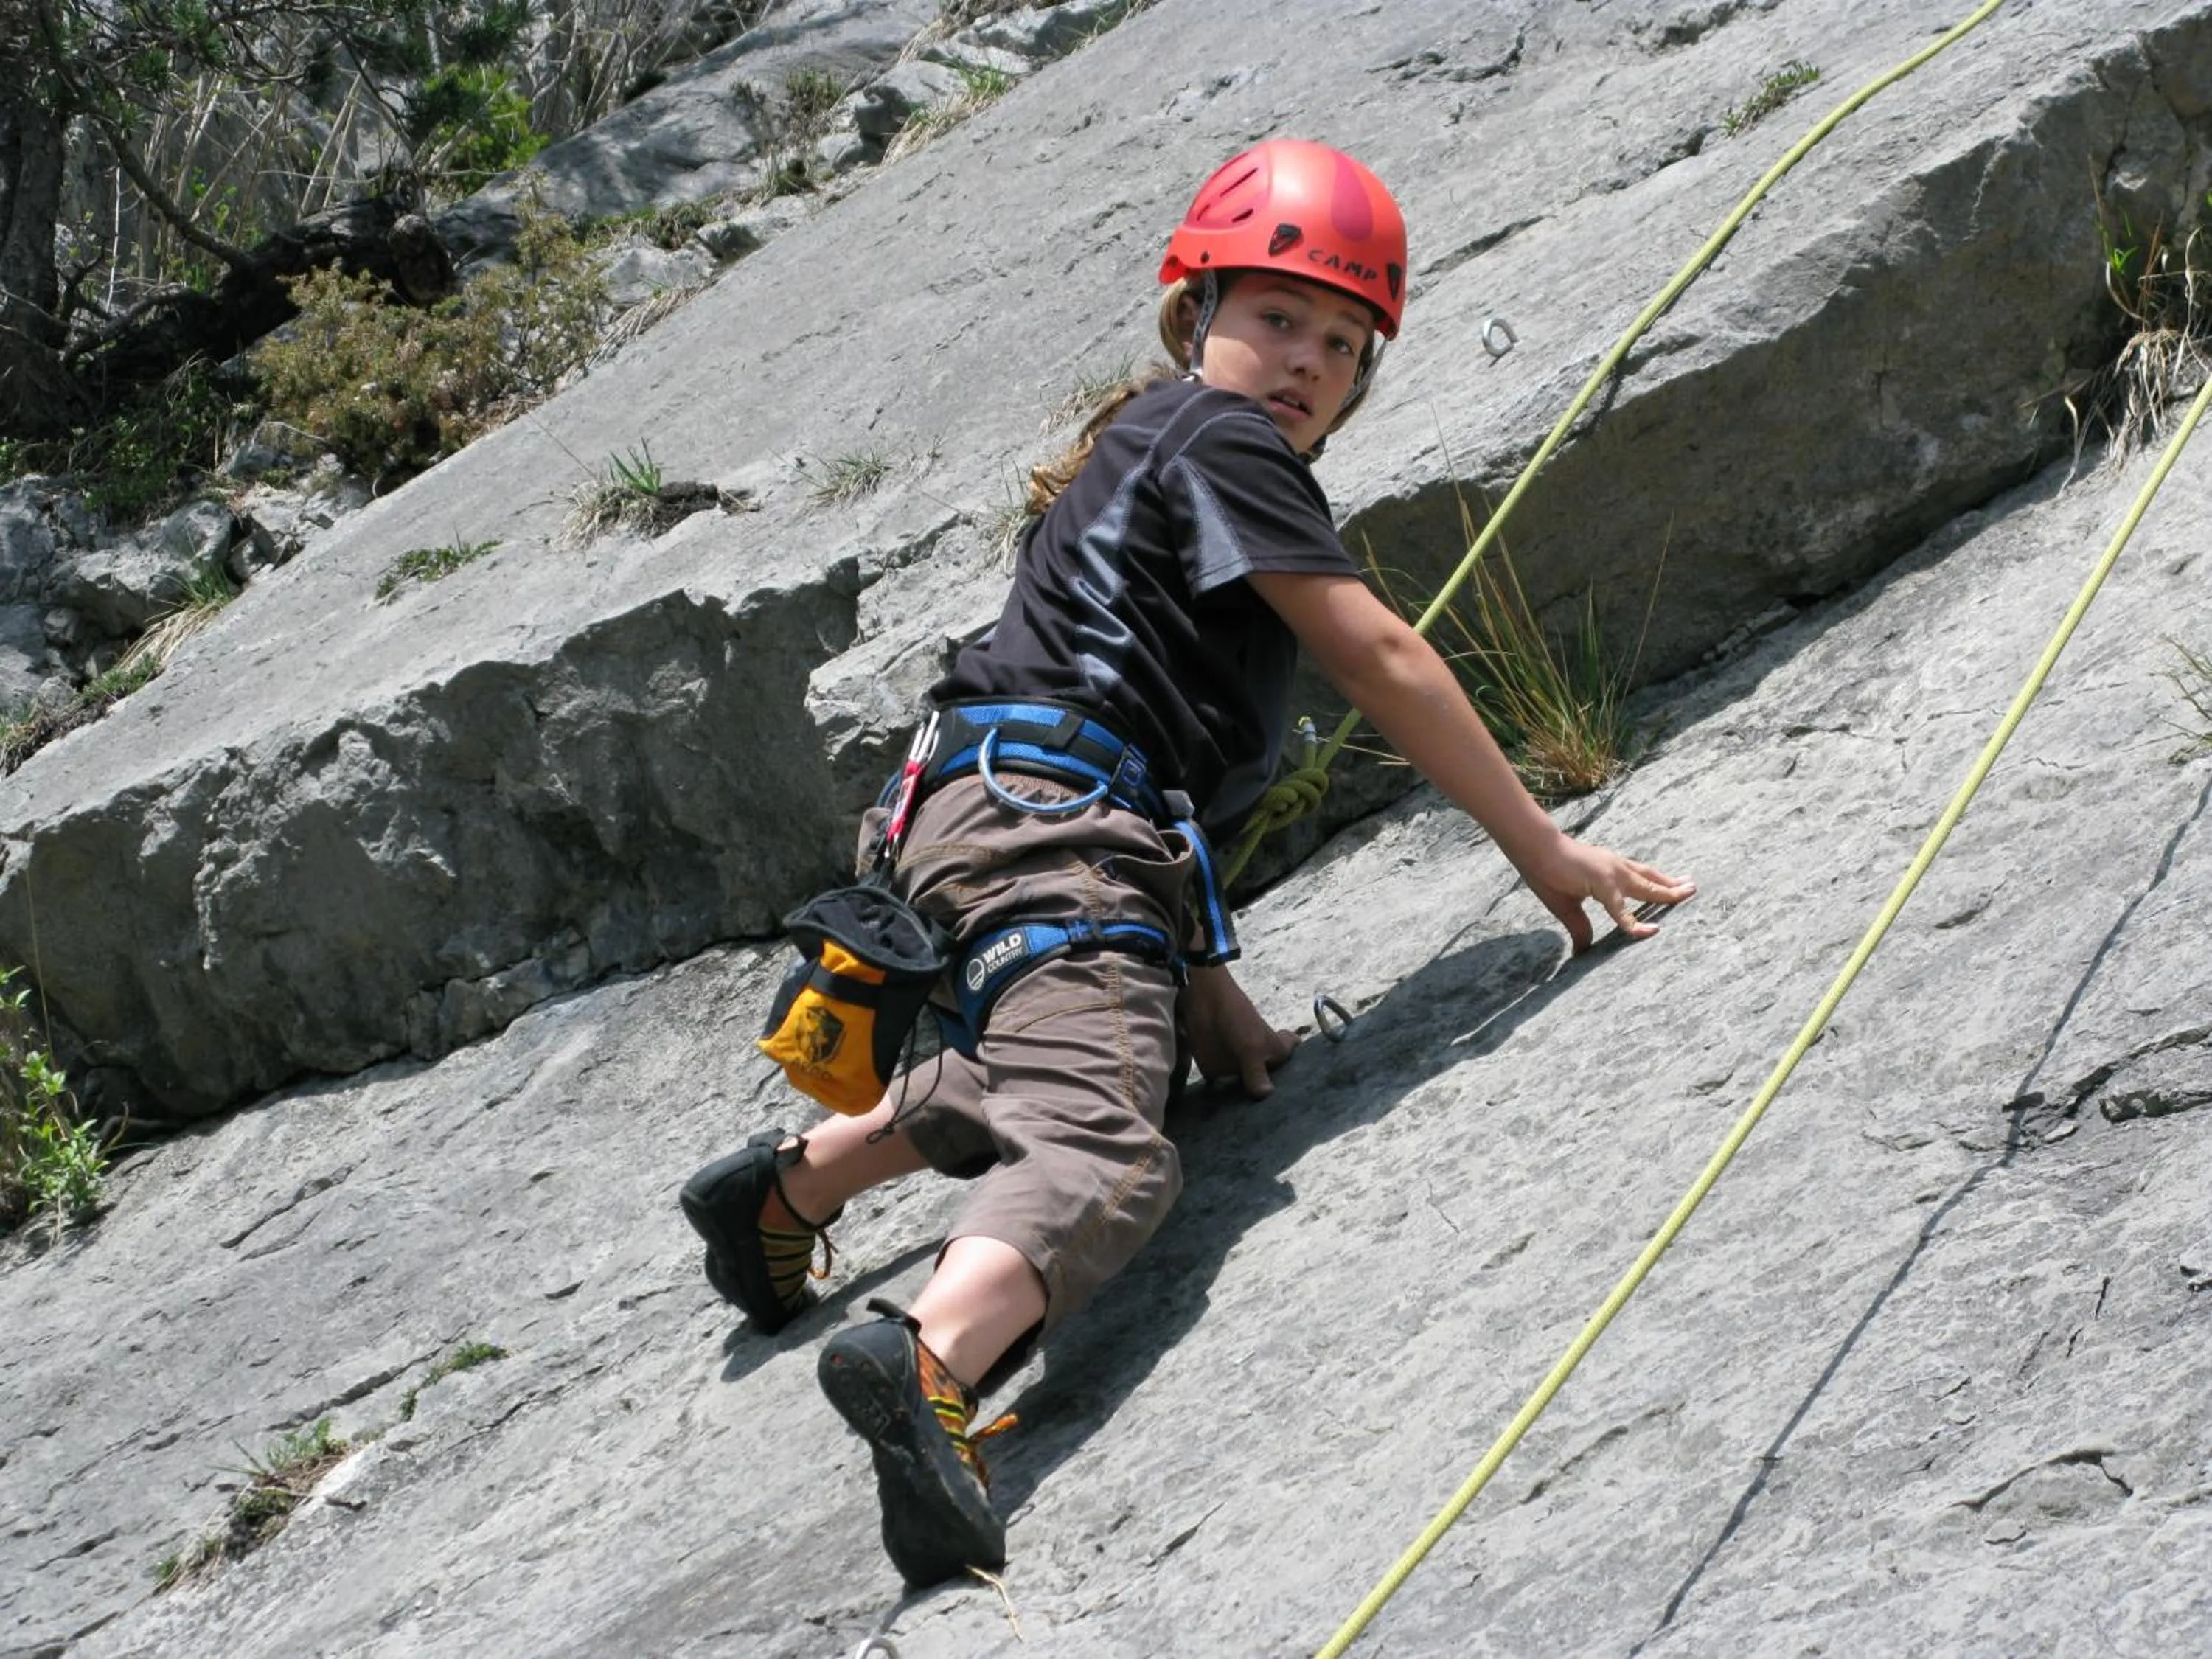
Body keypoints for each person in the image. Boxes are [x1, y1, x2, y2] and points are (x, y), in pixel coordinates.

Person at [681, 138, 1694, 1588]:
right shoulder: (1223, 444)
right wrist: (1542, 846)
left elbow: (1136, 752)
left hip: (970, 821)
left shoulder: (1137, 454)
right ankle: (931, 1362)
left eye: (1345, 345)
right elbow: (1380, 654)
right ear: (1193, 310)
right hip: (1051, 830)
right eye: (1279, 316)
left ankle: (793, 1189)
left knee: (1091, 1059)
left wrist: (1203, 984)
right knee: (1104, 1138)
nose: (1307, 363)